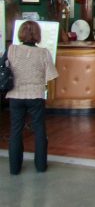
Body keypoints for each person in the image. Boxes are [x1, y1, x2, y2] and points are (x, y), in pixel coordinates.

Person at [6, 20, 59, 175]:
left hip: (15, 95)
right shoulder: (43, 53)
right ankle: (41, 166)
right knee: (39, 130)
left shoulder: (12, 50)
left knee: (15, 131)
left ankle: (14, 169)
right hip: (36, 95)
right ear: (37, 34)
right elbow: (51, 75)